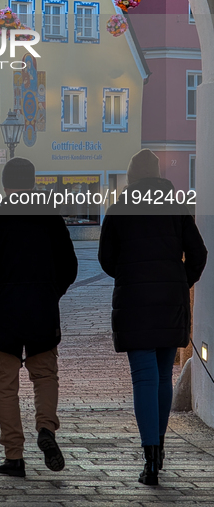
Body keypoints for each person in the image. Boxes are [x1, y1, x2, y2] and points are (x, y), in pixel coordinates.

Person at [98, 148, 207, 486]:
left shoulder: (119, 209)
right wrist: (181, 280)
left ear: (132, 176)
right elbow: (199, 252)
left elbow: (106, 258)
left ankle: (149, 459)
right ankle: (158, 451)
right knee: (162, 377)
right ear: (158, 175)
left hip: (134, 303)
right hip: (170, 301)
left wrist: (129, 275)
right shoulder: (175, 207)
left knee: (144, 378)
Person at [0, 157, 78, 477]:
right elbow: (70, 266)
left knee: (6, 385)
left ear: (5, 185)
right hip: (42, 312)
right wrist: (51, 294)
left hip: (3, 315)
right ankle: (46, 429)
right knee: (45, 375)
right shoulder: (51, 220)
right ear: (32, 183)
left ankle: (14, 456)